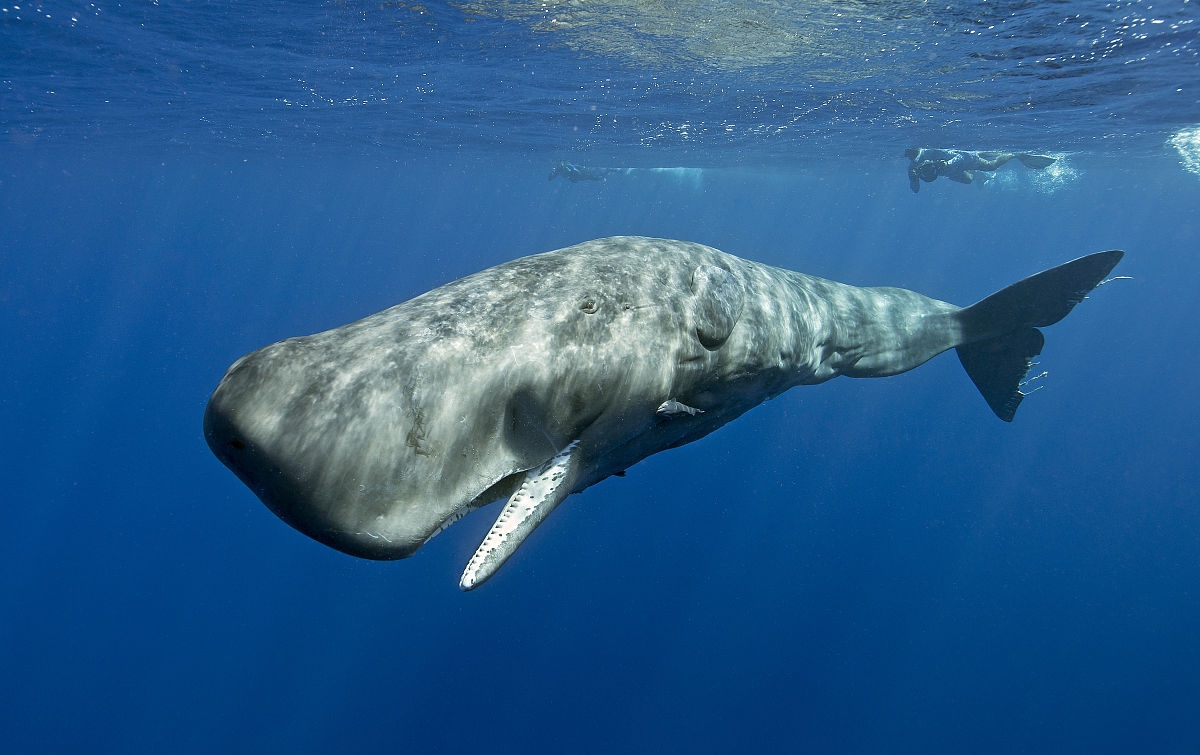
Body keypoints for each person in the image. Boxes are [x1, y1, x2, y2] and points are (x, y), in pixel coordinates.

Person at [905, 148, 1057, 193]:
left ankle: (1014, 155)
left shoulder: (932, 152)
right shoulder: (913, 168)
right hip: (949, 171)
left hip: (964, 159)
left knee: (991, 167)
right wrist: (913, 180)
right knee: (968, 180)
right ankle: (977, 174)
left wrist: (948, 162)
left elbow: (960, 155)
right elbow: (915, 190)